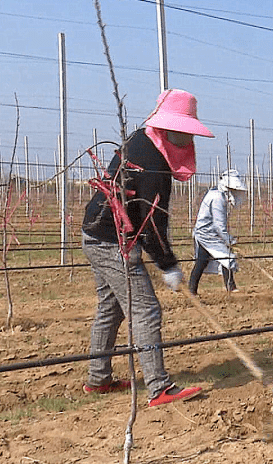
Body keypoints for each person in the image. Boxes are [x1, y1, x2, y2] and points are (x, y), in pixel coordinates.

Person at [81, 88, 213, 407]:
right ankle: (159, 387)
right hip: (113, 239)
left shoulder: (142, 139)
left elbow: (144, 215)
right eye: (184, 132)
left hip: (95, 232)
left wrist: (163, 259)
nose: (187, 139)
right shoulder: (154, 161)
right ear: (169, 128)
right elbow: (152, 223)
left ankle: (98, 379)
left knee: (110, 307)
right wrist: (168, 265)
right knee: (145, 309)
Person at [189, 170, 247, 293]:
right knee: (225, 257)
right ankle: (230, 288)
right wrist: (229, 240)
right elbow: (219, 224)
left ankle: (193, 290)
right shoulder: (217, 198)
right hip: (207, 234)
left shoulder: (216, 194)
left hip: (208, 233)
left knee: (207, 260)